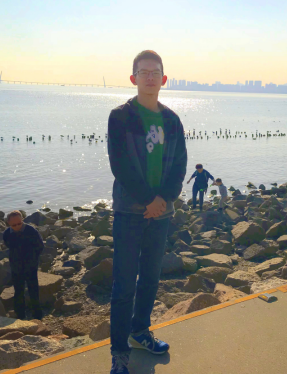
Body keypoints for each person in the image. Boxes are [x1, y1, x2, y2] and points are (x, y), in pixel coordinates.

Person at [107, 50, 187, 375]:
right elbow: (120, 164)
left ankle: (140, 332)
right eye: (144, 72)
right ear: (134, 78)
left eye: (155, 72)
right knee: (124, 286)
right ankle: (119, 354)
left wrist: (164, 199)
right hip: (129, 212)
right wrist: (148, 199)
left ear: (164, 79)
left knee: (151, 279)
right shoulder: (120, 117)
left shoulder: (173, 120)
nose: (150, 77)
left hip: (161, 214)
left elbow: (180, 164)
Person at [3, 210, 44, 320]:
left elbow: (40, 246)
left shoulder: (31, 231)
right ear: (8, 223)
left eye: (19, 223)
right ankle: (20, 315)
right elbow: (8, 245)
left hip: (31, 266)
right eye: (14, 225)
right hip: (16, 266)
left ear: (22, 220)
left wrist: (33, 259)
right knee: (18, 291)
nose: (17, 226)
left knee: (33, 290)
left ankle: (37, 315)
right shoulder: (7, 233)